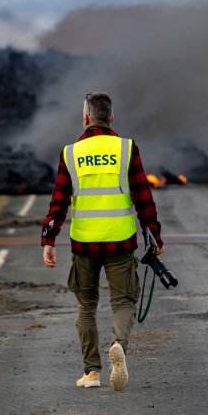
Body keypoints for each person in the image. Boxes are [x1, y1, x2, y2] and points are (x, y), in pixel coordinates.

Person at [41, 91, 164, 392]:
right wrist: (154, 234)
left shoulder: (70, 153)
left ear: (85, 118)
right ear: (111, 118)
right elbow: (142, 196)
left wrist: (48, 238)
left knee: (86, 306)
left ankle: (91, 372)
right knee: (122, 301)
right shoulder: (126, 148)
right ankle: (118, 345)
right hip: (120, 240)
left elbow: (58, 202)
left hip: (83, 242)